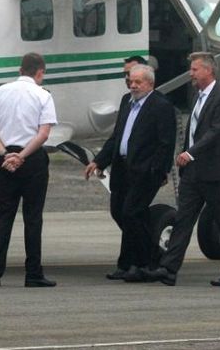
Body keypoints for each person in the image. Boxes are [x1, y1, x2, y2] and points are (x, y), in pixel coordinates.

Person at [146, 52, 220, 287]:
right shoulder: (198, 98)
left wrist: (190, 153)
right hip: (193, 173)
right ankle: (169, 269)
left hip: (214, 172)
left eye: (195, 69)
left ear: (209, 71)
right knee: (183, 220)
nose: (191, 73)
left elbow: (215, 132)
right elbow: (195, 131)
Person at [85, 64, 176, 281]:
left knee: (131, 213)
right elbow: (116, 137)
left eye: (138, 82)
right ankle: (131, 262)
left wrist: (158, 170)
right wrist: (99, 161)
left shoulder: (160, 106)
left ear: (150, 83)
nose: (133, 85)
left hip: (145, 171)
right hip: (122, 168)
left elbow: (166, 143)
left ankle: (142, 263)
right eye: (131, 81)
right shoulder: (127, 101)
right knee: (121, 212)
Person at [0, 52, 58, 287]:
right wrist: (22, 156)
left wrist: (5, 154)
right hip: (31, 157)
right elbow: (43, 133)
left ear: (19, 70)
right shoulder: (43, 95)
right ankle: (33, 272)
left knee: (4, 214)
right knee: (33, 217)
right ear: (40, 72)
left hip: (5, 157)